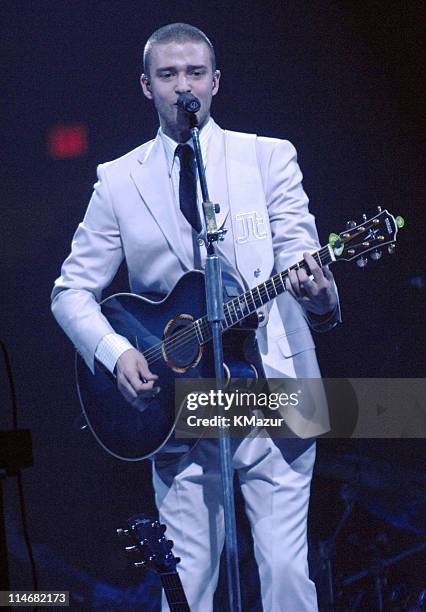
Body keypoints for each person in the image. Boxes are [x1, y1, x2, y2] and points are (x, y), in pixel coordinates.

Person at [51, 23, 339, 611]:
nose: (183, 86)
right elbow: (70, 291)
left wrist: (321, 297)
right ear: (146, 86)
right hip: (180, 403)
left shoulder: (267, 158)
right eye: (168, 74)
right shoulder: (118, 180)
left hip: (272, 390)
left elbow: (302, 260)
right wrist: (117, 351)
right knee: (188, 580)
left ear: (214, 83)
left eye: (195, 73)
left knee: (286, 572)